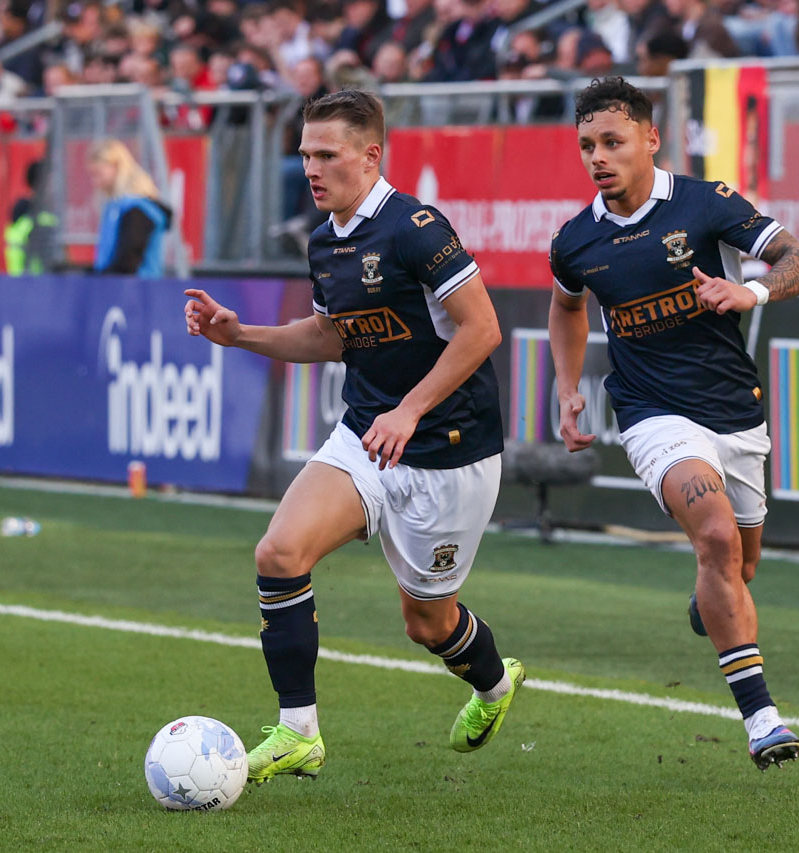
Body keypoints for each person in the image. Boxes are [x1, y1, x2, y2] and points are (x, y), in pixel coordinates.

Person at [183, 89, 524, 785]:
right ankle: (299, 731)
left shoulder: (416, 228)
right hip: (366, 434)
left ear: (370, 156)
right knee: (279, 553)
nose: (311, 168)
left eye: (326, 154)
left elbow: (482, 328)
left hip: (448, 450)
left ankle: (494, 684)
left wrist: (411, 410)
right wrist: (239, 334)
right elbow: (330, 336)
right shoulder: (324, 242)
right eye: (305, 154)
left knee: (428, 624)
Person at [546, 77, 799, 771]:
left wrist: (749, 290)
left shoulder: (706, 204)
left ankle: (714, 596)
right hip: (650, 413)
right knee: (717, 535)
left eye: (612, 142)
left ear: (650, 139)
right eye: (587, 145)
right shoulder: (575, 241)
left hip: (734, 411)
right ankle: (762, 719)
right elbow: (567, 306)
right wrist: (568, 387)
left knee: (739, 564)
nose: (598, 157)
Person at [88, 139, 171, 277]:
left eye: (99, 173)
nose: (95, 181)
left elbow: (129, 260)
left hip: (137, 287)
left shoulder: (137, 209)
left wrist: (102, 278)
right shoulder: (117, 206)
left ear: (115, 167)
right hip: (120, 284)